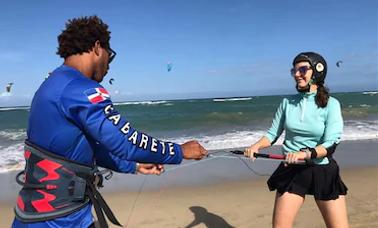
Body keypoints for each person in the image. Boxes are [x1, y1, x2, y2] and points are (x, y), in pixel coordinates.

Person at [12, 15, 207, 228]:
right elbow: (127, 141)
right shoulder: (80, 88)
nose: (108, 66)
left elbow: (83, 150)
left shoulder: (51, 85)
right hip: (60, 221)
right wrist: (180, 151)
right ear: (97, 48)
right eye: (110, 56)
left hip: (37, 216)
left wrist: (134, 166)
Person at [244, 52, 349, 228]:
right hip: (292, 169)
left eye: (302, 69)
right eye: (294, 70)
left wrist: (305, 154)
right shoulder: (287, 102)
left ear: (317, 71)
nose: (297, 74)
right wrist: (256, 146)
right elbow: (272, 134)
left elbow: (331, 144)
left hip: (321, 169)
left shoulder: (331, 104)